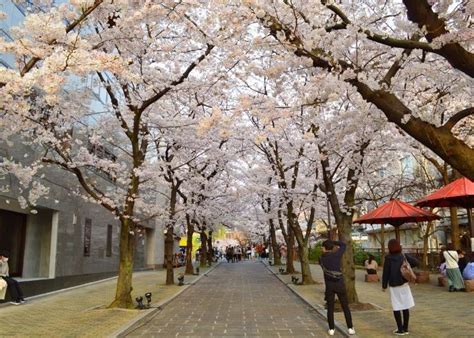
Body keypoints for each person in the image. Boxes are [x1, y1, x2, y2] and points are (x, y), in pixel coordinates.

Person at [382, 239, 419, 336]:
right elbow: (416, 262)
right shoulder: (403, 256)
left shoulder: (388, 258)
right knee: (405, 306)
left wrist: (384, 285)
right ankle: (405, 328)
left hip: (394, 285)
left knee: (396, 306)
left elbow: (386, 273)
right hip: (404, 284)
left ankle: (400, 329)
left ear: (389, 247)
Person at [319, 240, 355, 336]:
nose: (321, 249)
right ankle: (350, 328)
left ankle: (331, 329)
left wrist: (329, 244)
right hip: (340, 284)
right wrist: (332, 241)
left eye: (322, 247)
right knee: (345, 306)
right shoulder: (336, 255)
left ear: (325, 248)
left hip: (329, 286)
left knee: (330, 307)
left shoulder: (321, 258)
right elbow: (343, 244)